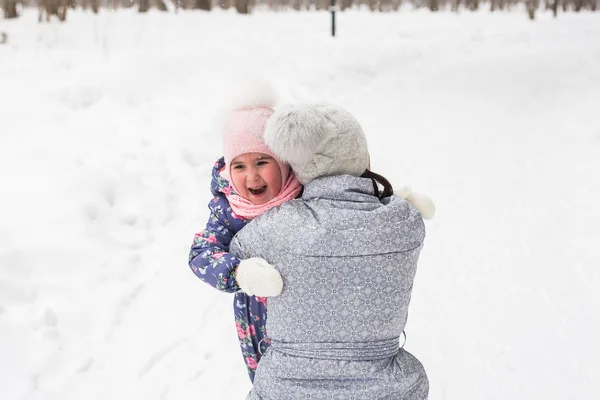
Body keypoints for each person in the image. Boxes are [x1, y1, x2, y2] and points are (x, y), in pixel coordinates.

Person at [230, 103, 431, 399]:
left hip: (286, 388)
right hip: (385, 389)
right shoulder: (403, 220)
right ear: (365, 158)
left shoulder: (279, 225)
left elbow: (236, 248)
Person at [187, 95, 303, 382]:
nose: (251, 176)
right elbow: (202, 253)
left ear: (284, 162)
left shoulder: (307, 197)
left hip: (309, 320)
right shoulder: (230, 210)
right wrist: (238, 272)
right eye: (239, 166)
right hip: (257, 325)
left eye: (262, 161)